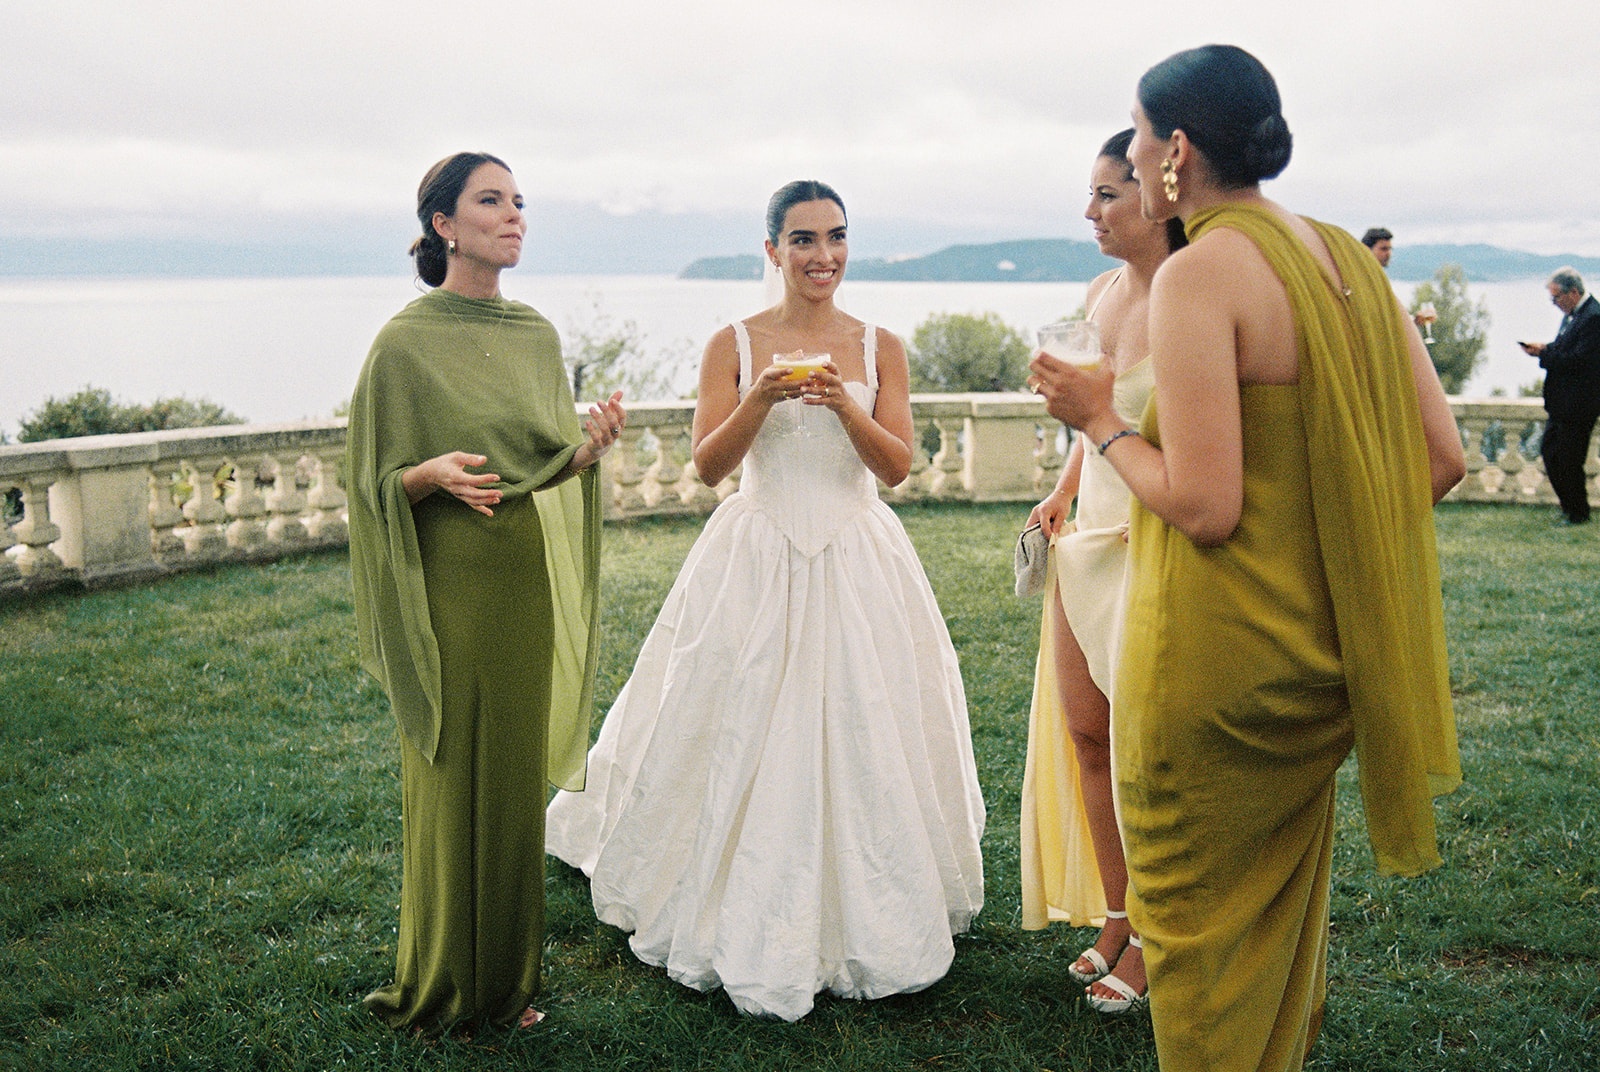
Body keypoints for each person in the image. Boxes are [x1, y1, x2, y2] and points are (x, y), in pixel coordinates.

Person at [1029, 46, 1465, 1072]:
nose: (1132, 159)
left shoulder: (1200, 271)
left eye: (1136, 137)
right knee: (1274, 932)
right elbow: (1438, 460)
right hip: (1317, 660)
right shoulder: (1343, 258)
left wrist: (1097, 421)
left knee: (1193, 951)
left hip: (1210, 662)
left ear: (1176, 149)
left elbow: (1205, 506)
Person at [546, 179, 985, 1022]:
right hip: (757, 552)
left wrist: (838, 408)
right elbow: (710, 467)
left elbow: (895, 467)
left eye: (837, 237)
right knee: (732, 711)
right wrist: (762, 397)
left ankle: (875, 901)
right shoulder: (734, 342)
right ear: (773, 250)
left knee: (867, 718)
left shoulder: (881, 344)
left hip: (856, 553)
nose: (823, 256)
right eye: (804, 240)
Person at [348, 151, 627, 1034]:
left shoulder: (536, 336)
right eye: (491, 201)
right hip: (449, 590)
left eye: (518, 202)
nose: (513, 217)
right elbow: (367, 481)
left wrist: (585, 454)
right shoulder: (403, 343)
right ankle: (440, 981)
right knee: (450, 773)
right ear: (443, 225)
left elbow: (542, 460)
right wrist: (423, 474)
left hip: (520, 587)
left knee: (507, 781)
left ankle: (506, 986)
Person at [1018, 128, 1185, 1016]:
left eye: (1108, 194)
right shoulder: (1099, 291)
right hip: (1091, 532)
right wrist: (1059, 491)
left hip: (1157, 541)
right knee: (1088, 736)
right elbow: (1095, 419)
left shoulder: (1190, 296)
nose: (1091, 211)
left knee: (1144, 756)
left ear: (1157, 192)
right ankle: (1119, 911)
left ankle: (1162, 931)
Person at [1519, 267, 1600, 524]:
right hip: (1562, 403)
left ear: (1573, 292)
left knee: (1569, 459)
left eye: (1556, 298)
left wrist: (1543, 355)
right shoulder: (1574, 316)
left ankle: (1578, 513)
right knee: (1551, 453)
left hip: (1579, 404)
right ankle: (1569, 506)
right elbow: (1565, 348)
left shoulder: (1593, 317)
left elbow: (1578, 360)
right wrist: (1545, 348)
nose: (1554, 304)